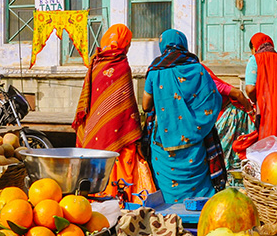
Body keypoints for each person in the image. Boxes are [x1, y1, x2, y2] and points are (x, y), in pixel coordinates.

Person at [73, 24, 157, 202]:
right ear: (124, 43)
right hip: (120, 129)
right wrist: (134, 126)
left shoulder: (96, 63)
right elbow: (126, 103)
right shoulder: (121, 65)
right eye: (128, 43)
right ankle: (121, 201)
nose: (128, 47)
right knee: (121, 161)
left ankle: (99, 199)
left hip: (97, 130)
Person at [142, 29, 225, 202]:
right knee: (198, 180)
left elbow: (145, 105)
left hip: (163, 138)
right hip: (195, 138)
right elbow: (213, 99)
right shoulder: (198, 69)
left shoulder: (155, 70)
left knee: (166, 183)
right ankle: (201, 209)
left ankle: (169, 214)